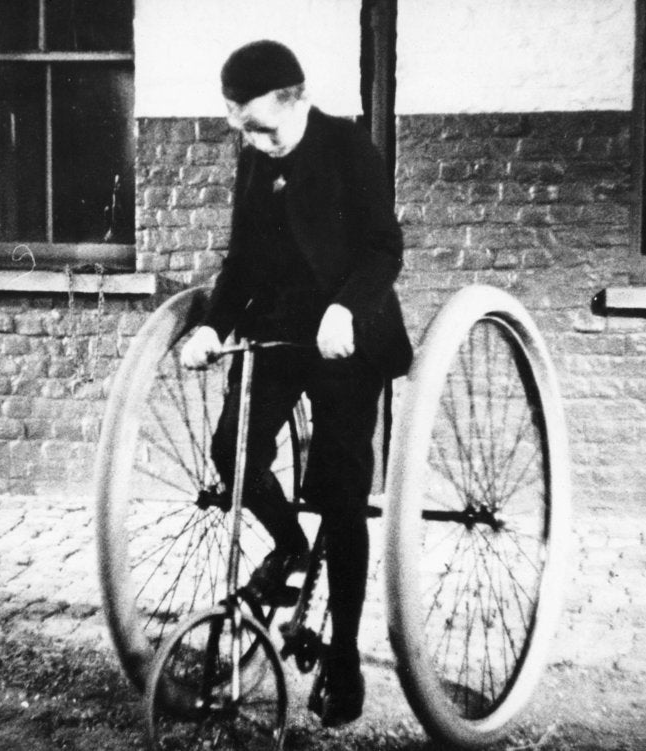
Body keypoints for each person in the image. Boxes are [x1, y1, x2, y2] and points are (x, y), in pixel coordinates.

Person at [180, 39, 412, 727]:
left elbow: (383, 247)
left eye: (261, 126)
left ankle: (343, 654)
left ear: (297, 100)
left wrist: (346, 306)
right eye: (240, 127)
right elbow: (243, 260)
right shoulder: (257, 159)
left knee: (342, 494)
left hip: (347, 336)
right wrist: (214, 329)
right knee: (232, 452)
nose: (252, 140)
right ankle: (287, 543)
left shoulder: (348, 148)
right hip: (282, 333)